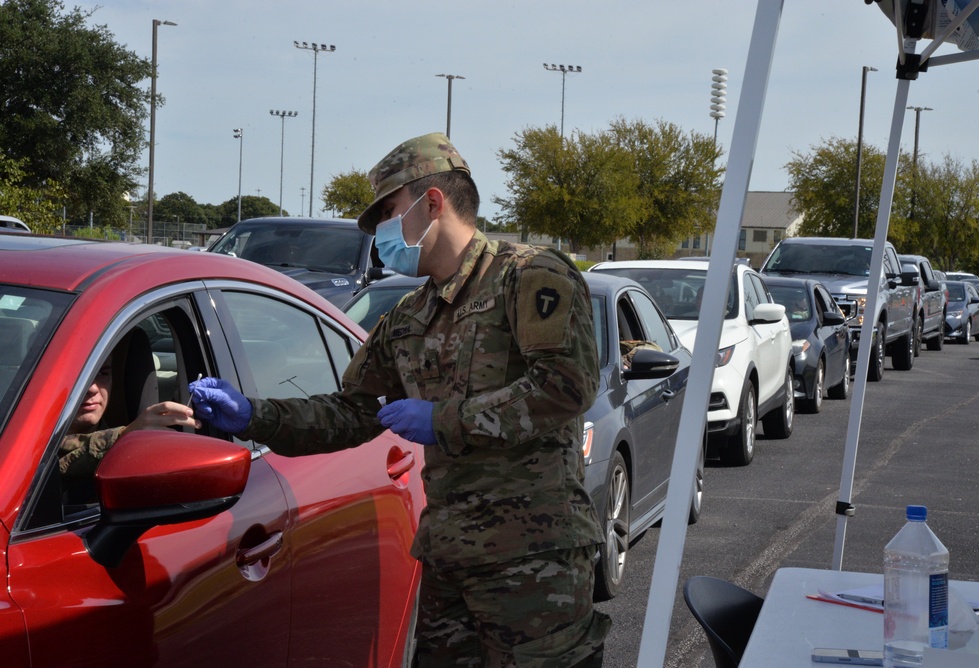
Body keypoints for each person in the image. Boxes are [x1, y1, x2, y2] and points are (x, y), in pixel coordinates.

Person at [189, 132, 610, 667]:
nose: (380, 233)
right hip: (448, 557)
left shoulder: (528, 277)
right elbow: (352, 412)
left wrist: (446, 420)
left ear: (431, 202)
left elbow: (565, 386)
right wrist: (255, 414)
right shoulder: (410, 315)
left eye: (389, 212)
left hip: (533, 561)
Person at [59, 357, 200, 479]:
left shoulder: (140, 460)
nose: (93, 388)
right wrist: (122, 439)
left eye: (103, 373)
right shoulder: (38, 441)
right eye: (78, 375)